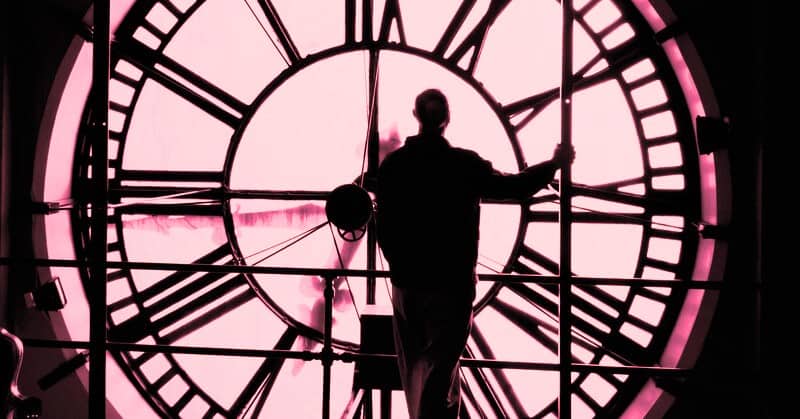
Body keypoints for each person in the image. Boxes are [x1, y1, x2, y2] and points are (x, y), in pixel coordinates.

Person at [375, 88, 574, 418]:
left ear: (416, 115)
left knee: (417, 372)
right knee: (441, 373)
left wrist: (399, 264)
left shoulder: (395, 166)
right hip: (451, 286)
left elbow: (385, 227)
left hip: (407, 284)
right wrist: (552, 165)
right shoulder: (464, 165)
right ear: (447, 119)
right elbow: (514, 187)